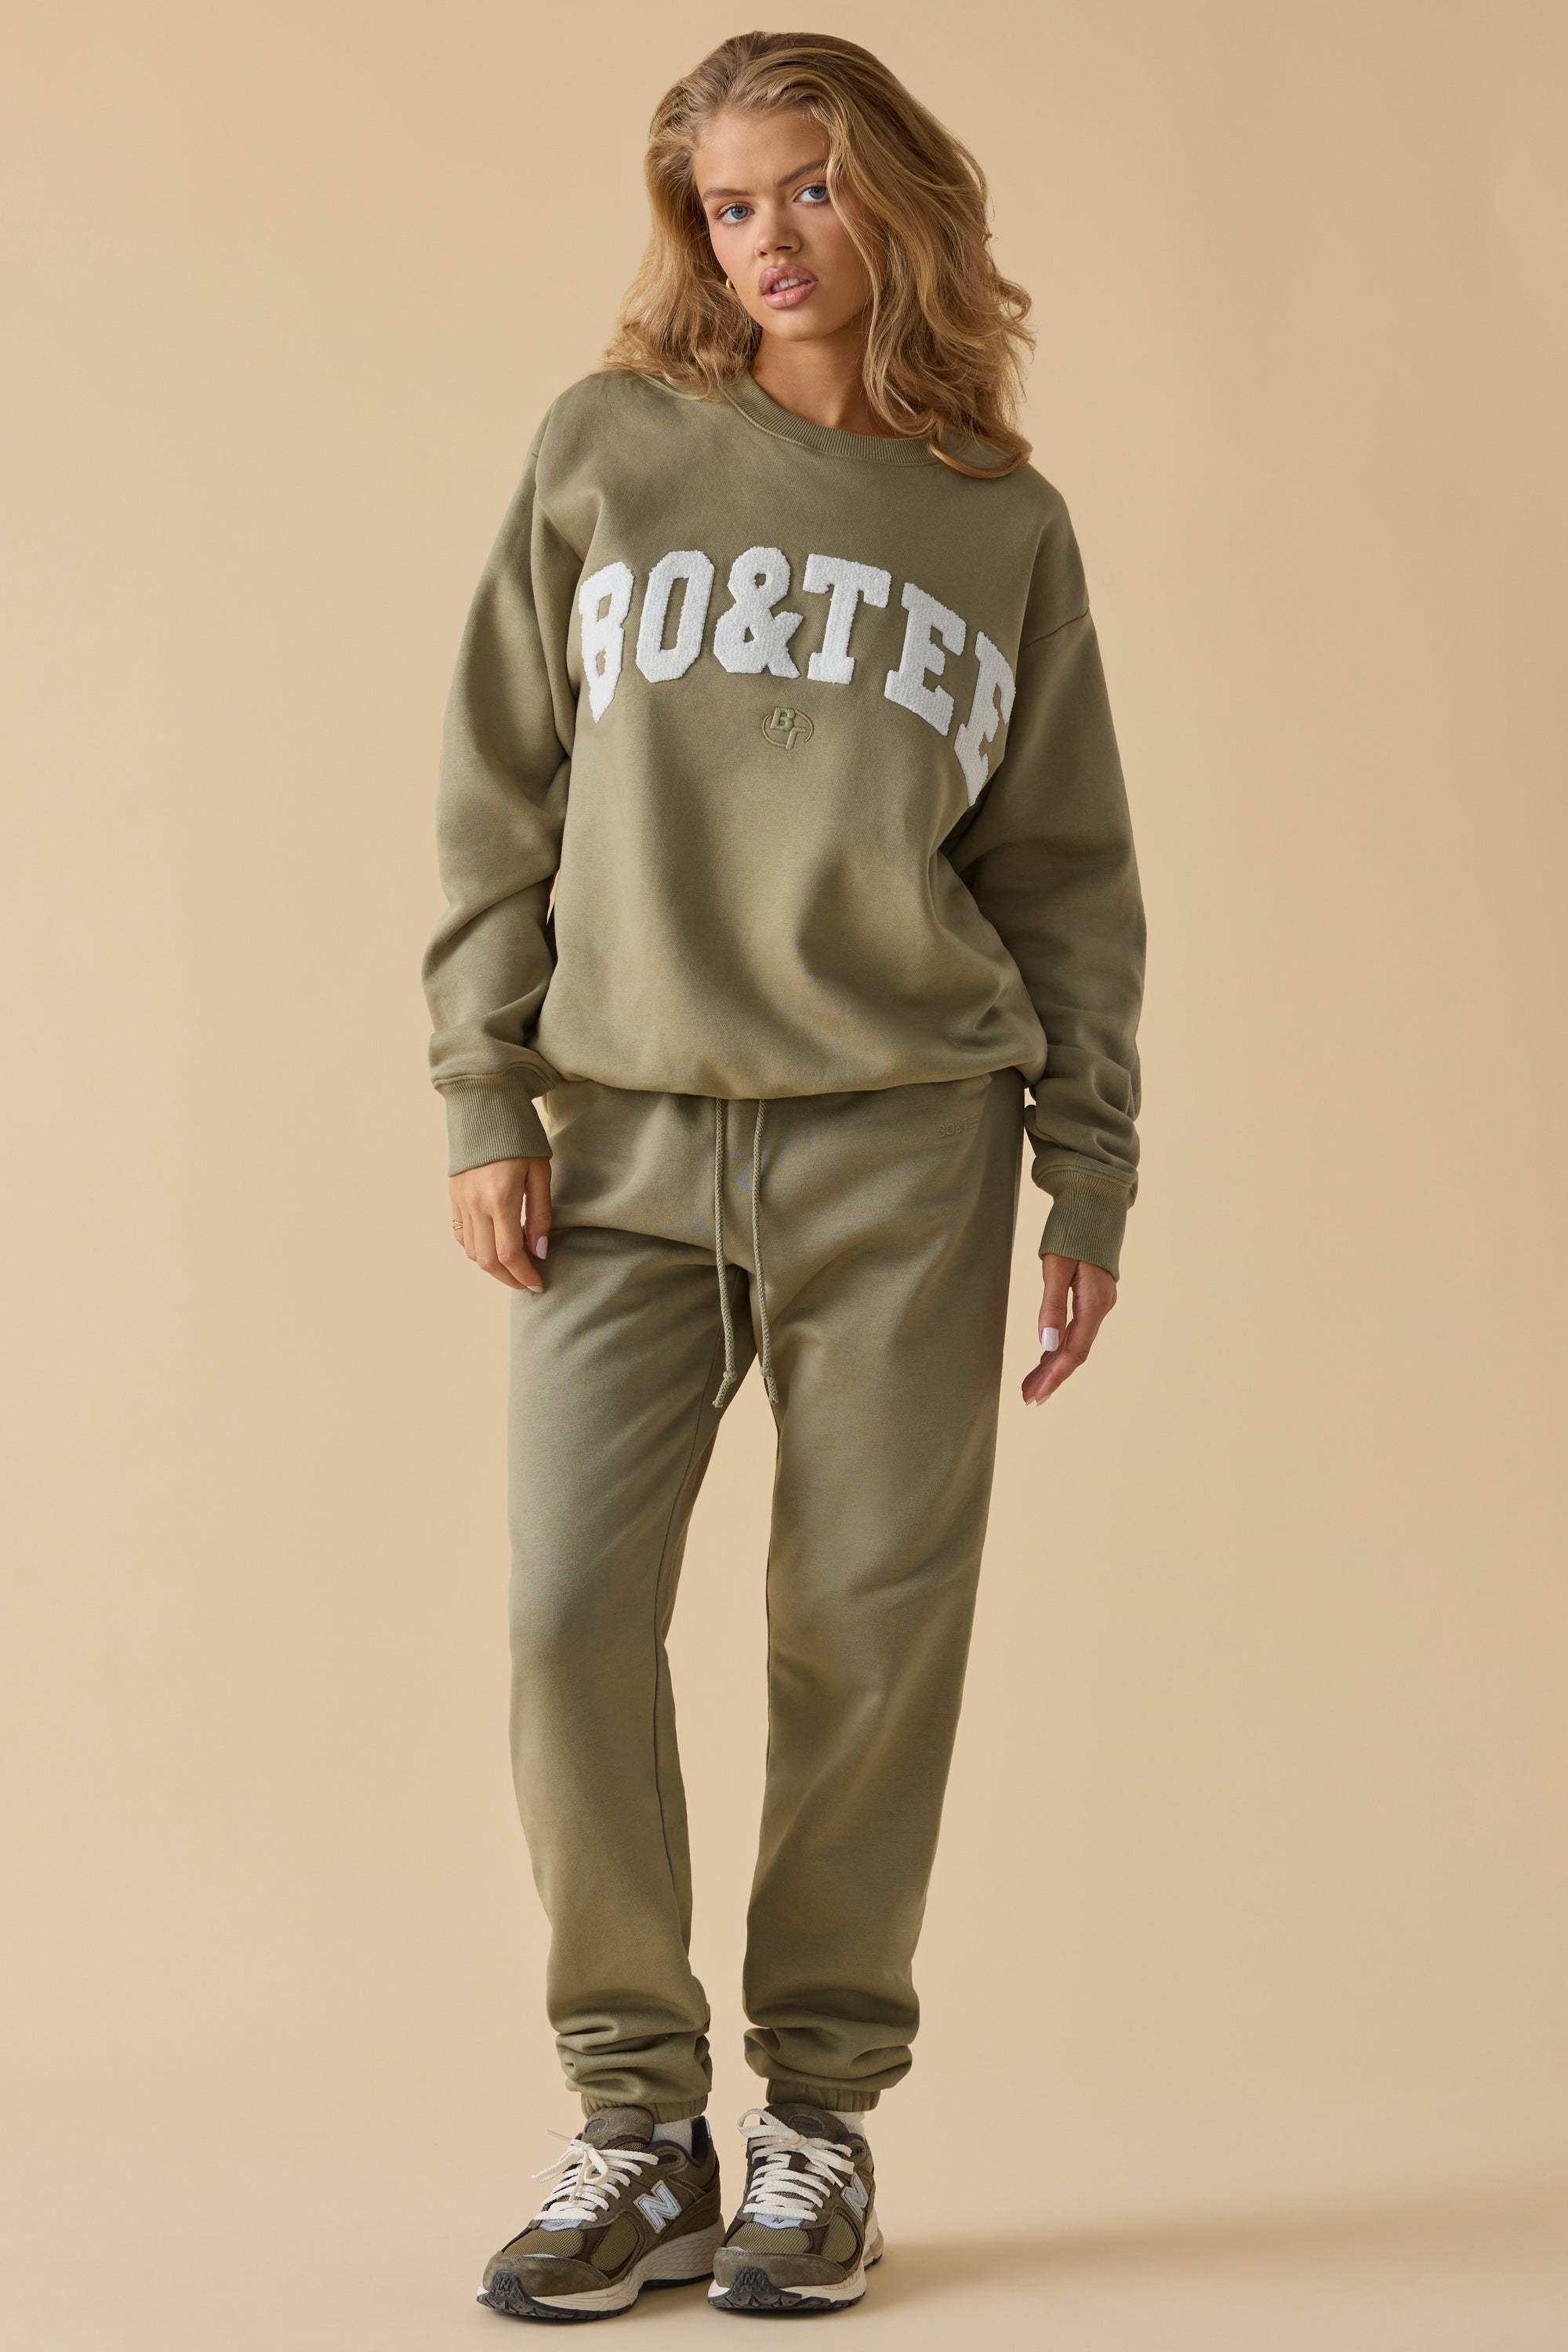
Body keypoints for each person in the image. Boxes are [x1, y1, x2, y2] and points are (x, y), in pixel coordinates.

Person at [423, 28, 1144, 2324]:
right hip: (625, 1142)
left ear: (892, 199)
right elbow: (498, 786)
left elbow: (1066, 875)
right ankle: (636, 2124)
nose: (769, 241)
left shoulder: (997, 520)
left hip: (908, 1151)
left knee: (865, 1641)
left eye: (808, 191)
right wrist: (480, 1093)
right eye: (729, 204)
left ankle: (819, 2117)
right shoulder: (606, 447)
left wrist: (1089, 1178)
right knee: (566, 1616)